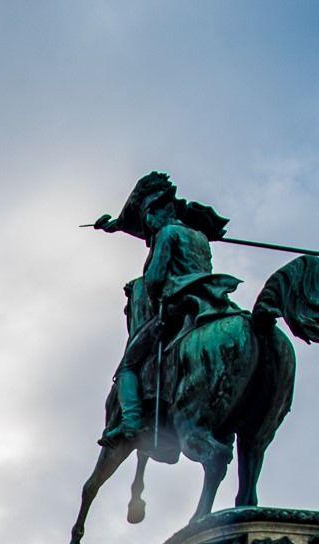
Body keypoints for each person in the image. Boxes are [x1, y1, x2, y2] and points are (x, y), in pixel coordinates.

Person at [90, 172, 237, 448]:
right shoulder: (198, 236)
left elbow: (156, 278)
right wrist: (116, 226)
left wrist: (156, 302)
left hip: (176, 306)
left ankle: (131, 422)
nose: (146, 224)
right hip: (211, 302)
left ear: (158, 211)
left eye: (147, 215)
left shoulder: (166, 234)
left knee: (128, 366)